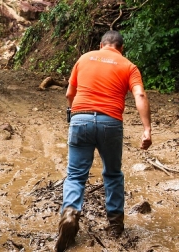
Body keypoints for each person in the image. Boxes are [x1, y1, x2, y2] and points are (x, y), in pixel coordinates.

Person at [55, 30, 152, 252]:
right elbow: (140, 95)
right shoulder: (129, 66)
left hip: (80, 119)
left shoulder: (84, 58)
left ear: (101, 45)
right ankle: (115, 225)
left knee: (76, 174)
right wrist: (147, 129)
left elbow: (70, 94)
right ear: (121, 48)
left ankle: (70, 213)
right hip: (110, 122)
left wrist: (73, 114)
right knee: (112, 173)